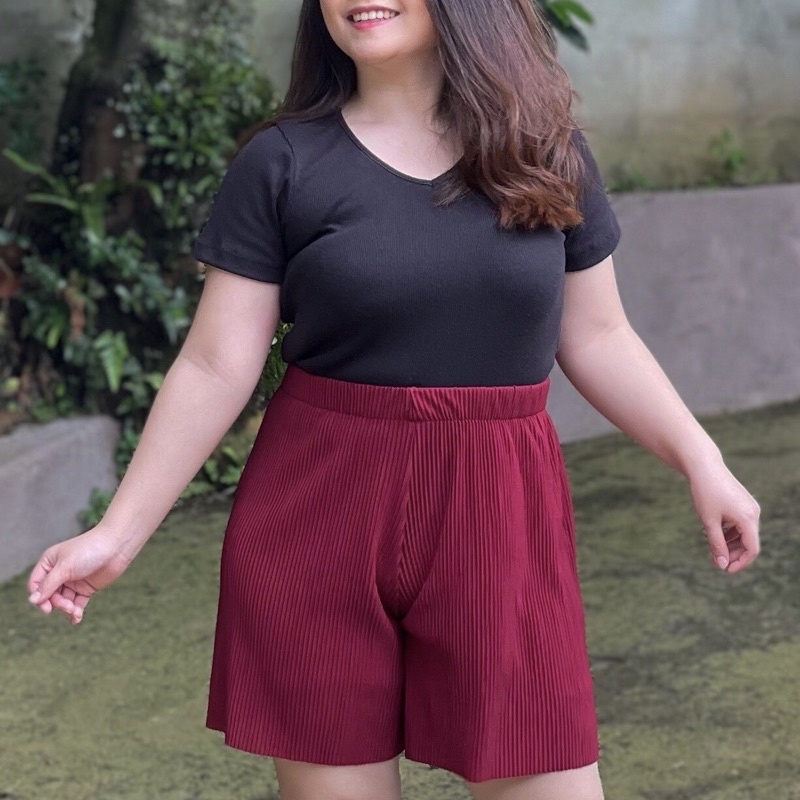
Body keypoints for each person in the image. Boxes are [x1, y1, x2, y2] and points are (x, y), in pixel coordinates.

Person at [27, 1, 761, 798]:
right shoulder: (282, 163)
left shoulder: (546, 152)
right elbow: (213, 364)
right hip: (317, 514)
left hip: (499, 512)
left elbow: (599, 336)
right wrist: (119, 534)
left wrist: (702, 458)